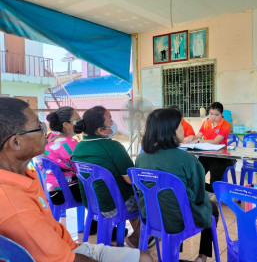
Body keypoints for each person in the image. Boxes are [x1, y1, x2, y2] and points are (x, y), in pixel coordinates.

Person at [0, 98, 152, 262]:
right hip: (102, 212)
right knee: (147, 202)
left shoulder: (29, 174)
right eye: (38, 126)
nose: (45, 130)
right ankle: (140, 235)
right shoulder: (16, 208)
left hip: (89, 205)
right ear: (15, 142)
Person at [136, 108, 219, 262]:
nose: (183, 128)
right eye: (180, 125)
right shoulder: (188, 160)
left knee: (171, 202)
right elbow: (200, 196)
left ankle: (174, 252)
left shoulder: (141, 158)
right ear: (171, 131)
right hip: (179, 222)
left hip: (151, 218)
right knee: (211, 207)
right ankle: (202, 257)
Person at [71, 106, 140, 248]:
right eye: (110, 119)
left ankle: (135, 236)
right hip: (115, 206)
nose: (113, 122)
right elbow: (130, 179)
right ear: (100, 130)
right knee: (147, 198)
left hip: (92, 205)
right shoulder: (113, 146)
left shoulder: (78, 147)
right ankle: (138, 237)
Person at [189, 102, 233, 193]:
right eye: (211, 114)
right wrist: (190, 138)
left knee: (214, 182)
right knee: (195, 176)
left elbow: (216, 141)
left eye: (216, 115)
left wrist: (200, 141)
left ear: (221, 114)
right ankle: (206, 190)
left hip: (219, 157)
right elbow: (197, 136)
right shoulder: (206, 122)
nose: (213, 117)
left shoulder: (225, 125)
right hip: (205, 155)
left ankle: (216, 190)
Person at [45, 106, 82, 205]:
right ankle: (96, 220)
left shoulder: (50, 137)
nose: (80, 123)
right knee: (103, 191)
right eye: (77, 120)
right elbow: (81, 168)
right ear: (66, 124)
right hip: (64, 192)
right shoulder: (68, 143)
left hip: (51, 190)